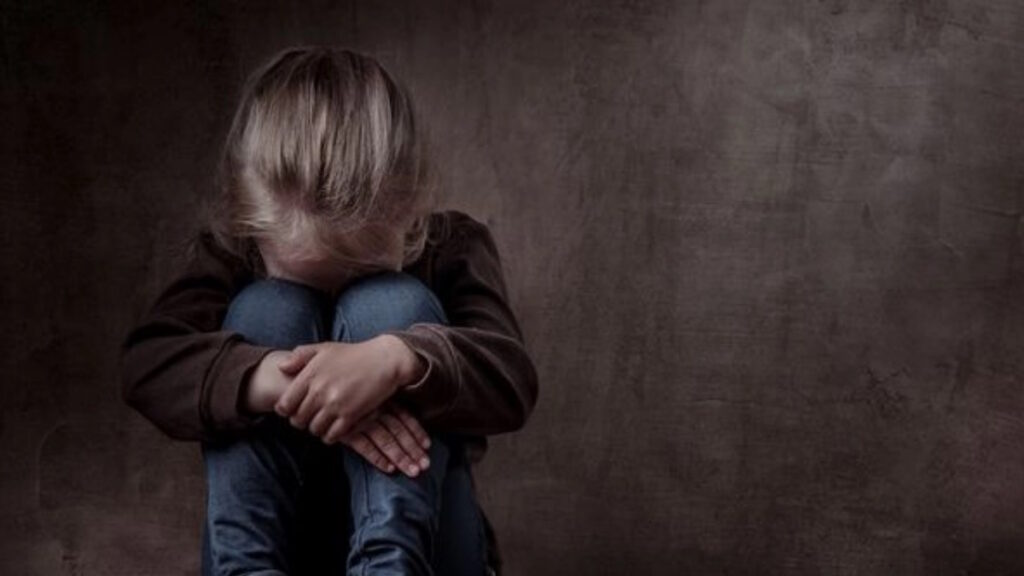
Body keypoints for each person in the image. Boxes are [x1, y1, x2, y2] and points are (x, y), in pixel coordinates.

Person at [120, 46, 538, 576]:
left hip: (425, 547)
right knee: (267, 309)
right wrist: (273, 379)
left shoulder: (454, 247)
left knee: (392, 304)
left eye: (357, 273)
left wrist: (395, 359)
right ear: (252, 226)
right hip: (281, 545)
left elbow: (512, 380)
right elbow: (146, 364)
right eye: (314, 284)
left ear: (409, 209)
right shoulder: (230, 257)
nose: (338, 311)